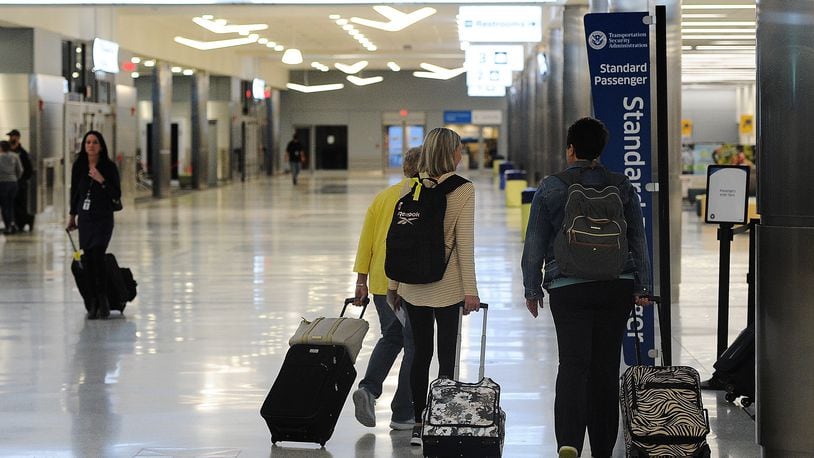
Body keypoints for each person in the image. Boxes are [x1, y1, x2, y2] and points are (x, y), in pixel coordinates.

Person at [521, 117, 653, 458]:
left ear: (570, 149)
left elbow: (534, 241)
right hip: (616, 285)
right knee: (606, 368)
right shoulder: (621, 185)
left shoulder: (552, 186)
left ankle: (568, 442)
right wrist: (643, 284)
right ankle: (603, 448)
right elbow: (637, 238)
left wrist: (532, 288)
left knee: (573, 364)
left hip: (568, 287)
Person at [387, 128, 480, 448]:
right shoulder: (463, 189)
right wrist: (472, 290)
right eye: (458, 149)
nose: (460, 154)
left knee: (420, 353)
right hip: (448, 285)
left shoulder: (411, 186)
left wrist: (393, 284)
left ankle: (417, 424)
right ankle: (440, 419)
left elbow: (399, 241)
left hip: (413, 284)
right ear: (451, 153)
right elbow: (464, 245)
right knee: (446, 355)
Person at [350, 147, 422, 431]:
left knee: (393, 336)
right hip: (408, 282)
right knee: (415, 345)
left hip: (380, 283)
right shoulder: (425, 195)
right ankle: (403, 411)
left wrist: (360, 281)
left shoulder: (383, 197)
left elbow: (366, 240)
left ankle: (368, 390)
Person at [66, 131, 121, 320]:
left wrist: (101, 180)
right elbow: (75, 193)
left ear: (101, 146)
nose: (91, 146)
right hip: (86, 219)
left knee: (98, 256)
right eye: (88, 142)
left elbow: (116, 193)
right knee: (88, 260)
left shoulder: (109, 167)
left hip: (103, 217)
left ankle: (103, 300)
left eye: (95, 142)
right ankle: (92, 303)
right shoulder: (79, 166)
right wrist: (72, 216)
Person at [7, 129, 34, 232]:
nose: (10, 138)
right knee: (13, 204)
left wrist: (22, 180)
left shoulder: (23, 153)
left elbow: (28, 169)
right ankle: (18, 223)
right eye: (10, 137)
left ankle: (27, 220)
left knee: (21, 204)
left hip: (20, 183)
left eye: (12, 136)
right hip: (11, 183)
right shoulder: (8, 152)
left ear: (17, 137)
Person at [0, 140, 23, 235]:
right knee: (11, 205)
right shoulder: (15, 156)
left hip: (2, 183)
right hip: (13, 183)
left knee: (5, 206)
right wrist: (15, 178)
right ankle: (13, 224)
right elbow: (20, 170)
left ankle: (8, 226)